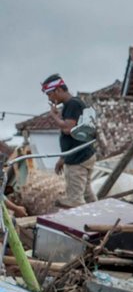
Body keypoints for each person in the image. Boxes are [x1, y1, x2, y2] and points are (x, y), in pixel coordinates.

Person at [41, 74, 97, 208]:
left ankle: (86, 226)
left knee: (75, 201)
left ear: (58, 90)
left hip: (78, 158)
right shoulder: (73, 104)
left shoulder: (72, 104)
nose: (49, 98)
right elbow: (73, 134)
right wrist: (63, 158)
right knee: (87, 195)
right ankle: (101, 220)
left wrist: (54, 116)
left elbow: (68, 129)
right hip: (82, 154)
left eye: (49, 94)